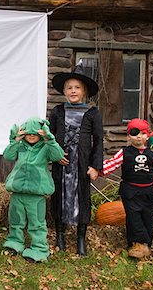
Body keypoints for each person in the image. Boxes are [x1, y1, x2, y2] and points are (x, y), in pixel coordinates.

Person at [49, 62, 103, 256]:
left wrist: (95, 166)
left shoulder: (92, 113)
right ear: (64, 90)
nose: (73, 91)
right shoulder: (57, 111)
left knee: (82, 197)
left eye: (77, 87)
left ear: (84, 91)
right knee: (59, 196)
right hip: (61, 163)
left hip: (81, 164)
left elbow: (98, 140)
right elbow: (50, 137)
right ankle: (60, 235)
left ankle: (80, 237)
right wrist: (55, 154)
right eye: (69, 87)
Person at [3, 117, 65, 262]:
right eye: (28, 133)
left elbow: (58, 155)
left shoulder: (46, 148)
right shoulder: (20, 146)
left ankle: (39, 249)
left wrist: (50, 139)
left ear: (41, 133)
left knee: (36, 223)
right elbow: (8, 155)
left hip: (36, 196)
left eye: (35, 133)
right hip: (18, 192)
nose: (31, 136)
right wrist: (14, 141)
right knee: (16, 220)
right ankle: (15, 242)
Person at [102, 119, 153, 258]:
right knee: (133, 216)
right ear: (128, 136)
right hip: (130, 190)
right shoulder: (124, 152)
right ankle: (137, 244)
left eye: (143, 133)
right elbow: (112, 163)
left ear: (148, 136)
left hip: (148, 191)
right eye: (134, 133)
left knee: (148, 217)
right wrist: (98, 170)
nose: (139, 136)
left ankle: (146, 244)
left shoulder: (152, 155)